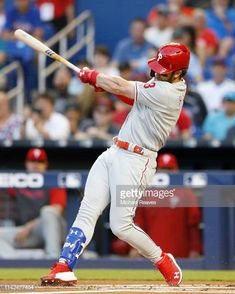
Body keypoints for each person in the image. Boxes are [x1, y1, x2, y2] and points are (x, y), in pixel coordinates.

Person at [41, 43, 190, 287]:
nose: (158, 71)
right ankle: (63, 266)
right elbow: (128, 94)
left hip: (137, 160)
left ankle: (162, 259)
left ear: (178, 73)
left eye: (165, 69)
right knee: (87, 211)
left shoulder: (169, 92)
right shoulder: (161, 85)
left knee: (121, 226)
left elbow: (122, 86)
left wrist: (94, 76)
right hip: (114, 151)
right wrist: (99, 83)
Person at [112, 153, 202, 258]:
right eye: (164, 169)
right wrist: (134, 247)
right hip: (152, 256)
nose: (167, 173)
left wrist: (195, 249)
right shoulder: (147, 193)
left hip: (180, 255)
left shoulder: (186, 193)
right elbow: (139, 224)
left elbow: (193, 225)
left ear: (176, 170)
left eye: (170, 169)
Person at [0, 148, 67, 259]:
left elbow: (57, 209)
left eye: (40, 162)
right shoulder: (19, 180)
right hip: (30, 233)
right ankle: (15, 264)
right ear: (26, 163)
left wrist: (29, 226)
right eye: (32, 161)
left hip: (54, 230)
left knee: (48, 211)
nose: (35, 165)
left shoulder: (53, 180)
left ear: (46, 164)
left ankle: (53, 259)